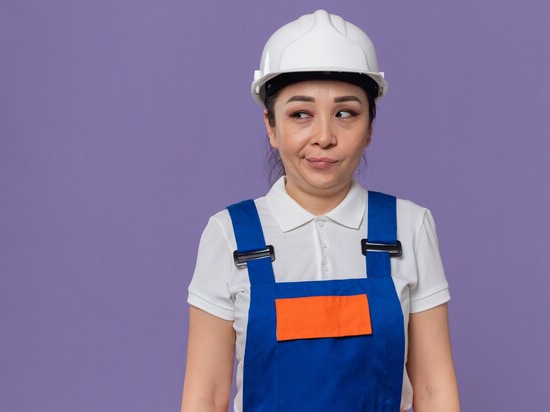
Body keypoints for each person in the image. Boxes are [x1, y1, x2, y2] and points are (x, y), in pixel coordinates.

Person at [181, 9, 460, 412]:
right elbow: (204, 397)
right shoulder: (229, 235)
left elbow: (434, 391)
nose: (324, 137)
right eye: (301, 114)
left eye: (345, 113)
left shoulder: (409, 227)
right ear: (271, 127)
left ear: (369, 128)